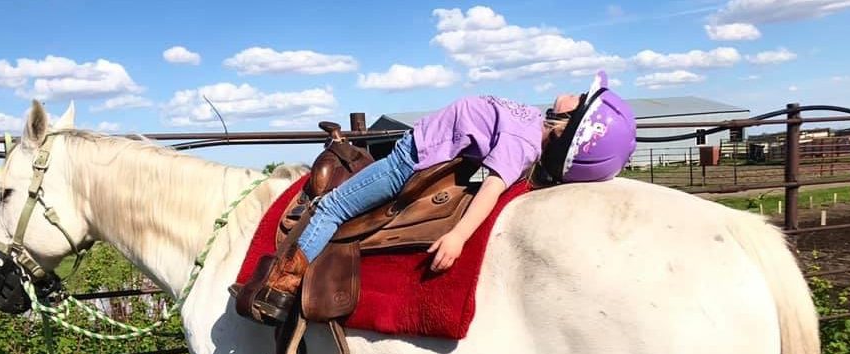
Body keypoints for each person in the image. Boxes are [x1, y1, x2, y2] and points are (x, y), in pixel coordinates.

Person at [240, 70, 636, 325]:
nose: (575, 93)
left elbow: (495, 186)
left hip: (406, 163)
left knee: (333, 205)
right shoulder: (532, 122)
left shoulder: (522, 141)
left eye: (581, 102)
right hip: (417, 153)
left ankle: (281, 288)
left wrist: (460, 235)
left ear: (568, 128)